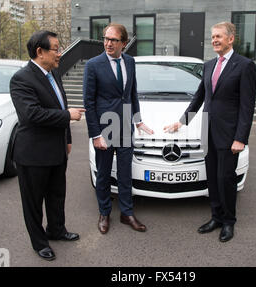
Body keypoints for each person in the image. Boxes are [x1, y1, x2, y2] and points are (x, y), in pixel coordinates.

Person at [164, 22, 256, 242]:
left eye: (218, 37)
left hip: (229, 135)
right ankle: (215, 217)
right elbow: (199, 98)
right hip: (208, 132)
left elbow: (247, 106)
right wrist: (182, 122)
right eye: (212, 37)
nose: (214, 40)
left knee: (226, 179)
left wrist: (240, 138)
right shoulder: (208, 66)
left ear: (230, 39)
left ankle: (228, 222)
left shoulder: (244, 66)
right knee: (213, 178)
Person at [10, 30, 85, 261]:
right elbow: (31, 115)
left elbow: (60, 104)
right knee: (33, 203)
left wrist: (68, 139)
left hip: (57, 150)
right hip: (33, 154)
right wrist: (67, 116)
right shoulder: (21, 79)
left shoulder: (54, 74)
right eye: (55, 48)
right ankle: (39, 242)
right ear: (39, 51)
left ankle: (57, 230)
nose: (60, 53)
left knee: (56, 196)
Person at [83, 23, 153, 234]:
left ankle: (126, 213)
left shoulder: (130, 62)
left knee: (125, 173)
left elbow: (132, 94)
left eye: (113, 40)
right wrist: (96, 134)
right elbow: (89, 102)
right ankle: (104, 213)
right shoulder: (93, 65)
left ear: (124, 43)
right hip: (104, 129)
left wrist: (138, 121)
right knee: (103, 174)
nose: (108, 43)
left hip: (125, 128)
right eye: (106, 38)